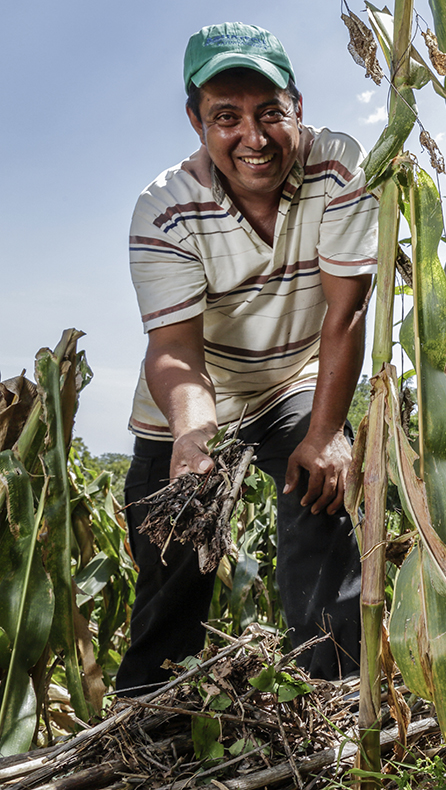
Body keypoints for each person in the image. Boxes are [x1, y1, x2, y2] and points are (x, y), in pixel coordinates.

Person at [117, 22, 379, 694]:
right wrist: (192, 441)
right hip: (191, 402)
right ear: (196, 121)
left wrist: (324, 435)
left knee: (319, 503)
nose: (253, 138)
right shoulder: (164, 208)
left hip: (291, 381)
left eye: (270, 113)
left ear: (298, 106)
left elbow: (344, 313)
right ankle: (150, 720)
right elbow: (175, 349)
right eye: (225, 117)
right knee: (172, 553)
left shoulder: (340, 167)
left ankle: (334, 699)